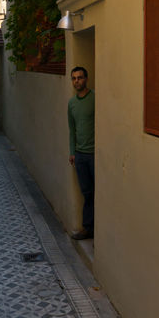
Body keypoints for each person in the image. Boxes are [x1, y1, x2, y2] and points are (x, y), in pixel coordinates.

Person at [67, 65, 95, 240]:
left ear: (86, 79)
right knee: (87, 192)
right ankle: (88, 228)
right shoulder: (72, 103)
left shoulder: (95, 98)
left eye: (80, 77)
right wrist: (72, 152)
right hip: (80, 154)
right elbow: (72, 129)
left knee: (99, 192)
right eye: (74, 78)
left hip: (94, 154)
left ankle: (97, 230)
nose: (77, 81)